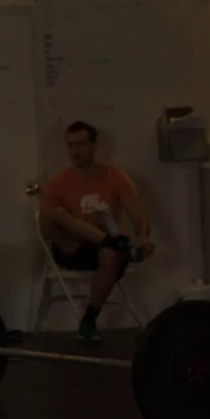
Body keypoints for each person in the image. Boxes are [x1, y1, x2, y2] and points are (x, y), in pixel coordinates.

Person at [38, 120, 153, 345]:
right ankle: (117, 243)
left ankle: (88, 321)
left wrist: (143, 237)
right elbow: (45, 227)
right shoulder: (59, 181)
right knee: (56, 213)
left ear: (93, 146)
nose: (75, 152)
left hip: (104, 249)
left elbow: (139, 214)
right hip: (69, 246)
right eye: (70, 146)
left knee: (111, 253)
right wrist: (75, 226)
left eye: (81, 145)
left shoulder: (116, 177)